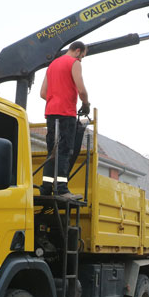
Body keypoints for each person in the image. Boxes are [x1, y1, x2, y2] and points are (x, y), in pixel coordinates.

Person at [39, 41, 89, 200]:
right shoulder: (73, 63)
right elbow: (81, 89)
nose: (81, 60)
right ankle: (61, 189)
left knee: (52, 151)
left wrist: (56, 98)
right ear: (78, 51)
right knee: (64, 150)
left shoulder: (52, 65)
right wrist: (86, 104)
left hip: (51, 113)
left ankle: (46, 188)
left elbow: (42, 93)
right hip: (66, 113)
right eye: (82, 57)